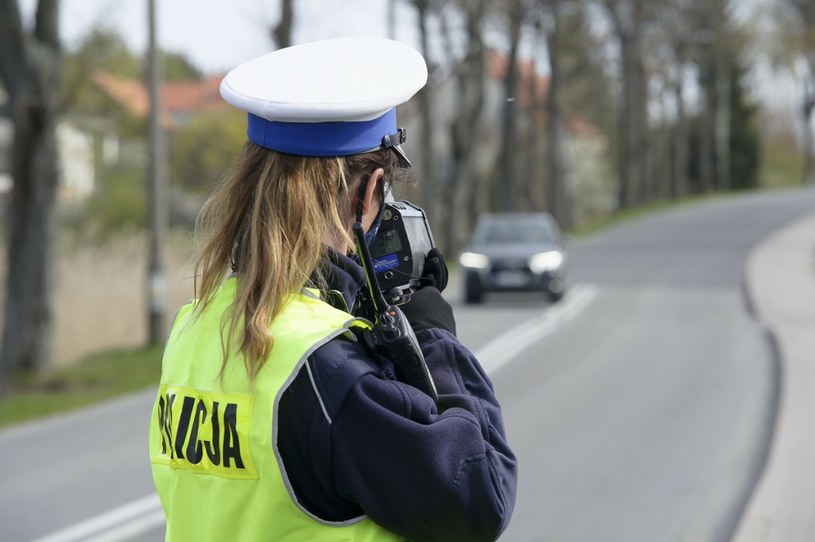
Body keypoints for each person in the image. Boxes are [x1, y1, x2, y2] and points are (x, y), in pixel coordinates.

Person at [148, 37, 517, 542]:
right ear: (370, 190)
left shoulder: (191, 329)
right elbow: (480, 498)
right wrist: (433, 343)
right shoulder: (329, 372)